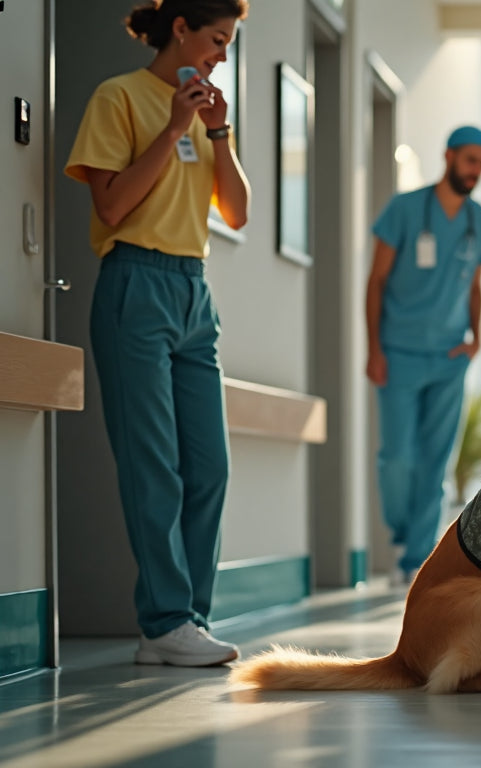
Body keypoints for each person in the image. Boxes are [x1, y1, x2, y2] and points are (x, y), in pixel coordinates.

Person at [65, 0, 250, 666]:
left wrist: (218, 132)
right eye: (217, 40)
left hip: (192, 289)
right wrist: (172, 125)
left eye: (228, 45)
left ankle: (188, 620)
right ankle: (165, 620)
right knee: (154, 466)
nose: (221, 55)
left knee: (210, 466)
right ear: (181, 29)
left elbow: (237, 210)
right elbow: (112, 204)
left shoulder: (204, 116)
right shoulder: (118, 97)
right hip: (134, 281)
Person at [366, 125, 481, 585]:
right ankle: (403, 529)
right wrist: (374, 348)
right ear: (449, 157)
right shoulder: (404, 210)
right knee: (397, 457)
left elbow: (476, 287)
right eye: (469, 160)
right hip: (398, 352)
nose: (476, 170)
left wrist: (475, 339)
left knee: (436, 459)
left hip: (448, 356)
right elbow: (376, 281)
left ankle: (414, 560)